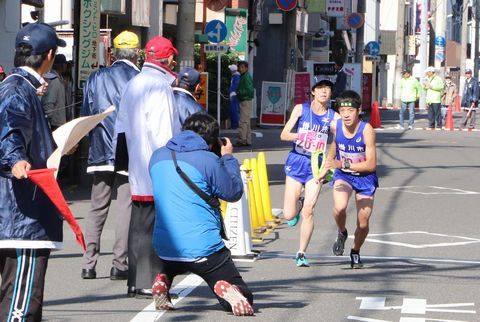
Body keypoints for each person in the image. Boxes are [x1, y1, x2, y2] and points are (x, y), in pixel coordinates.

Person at [148, 113, 254, 316]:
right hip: (204, 249)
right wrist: (228, 158)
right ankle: (224, 286)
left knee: (176, 261)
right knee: (245, 297)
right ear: (213, 139)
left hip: (164, 246)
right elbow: (233, 192)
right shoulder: (208, 160)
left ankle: (163, 278)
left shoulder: (157, 156)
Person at [0, 22, 66, 320]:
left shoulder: (18, 85)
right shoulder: (17, 89)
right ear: (49, 54)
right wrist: (16, 159)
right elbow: (10, 129)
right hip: (22, 212)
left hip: (14, 209)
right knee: (21, 303)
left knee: (14, 295)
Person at [115, 35, 181, 298]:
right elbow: (165, 133)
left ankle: (135, 280)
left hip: (136, 164)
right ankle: (149, 280)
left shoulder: (134, 83)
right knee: (154, 226)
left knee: (138, 223)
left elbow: (120, 127)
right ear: (169, 58)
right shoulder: (160, 87)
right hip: (156, 165)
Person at [80, 30, 141, 281]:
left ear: (113, 52)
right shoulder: (140, 79)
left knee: (97, 207)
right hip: (129, 149)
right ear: (137, 53)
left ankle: (88, 263)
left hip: (101, 148)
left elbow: (86, 113)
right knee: (125, 206)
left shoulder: (96, 77)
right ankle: (119, 263)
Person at [280, 79, 340, 267]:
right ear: (313, 92)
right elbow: (284, 135)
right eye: (320, 89)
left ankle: (301, 252)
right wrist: (302, 136)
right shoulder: (301, 109)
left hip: (316, 165)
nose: (324, 92)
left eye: (328, 89)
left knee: (309, 210)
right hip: (297, 160)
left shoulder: (333, 116)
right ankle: (297, 204)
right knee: (289, 215)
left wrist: (328, 164)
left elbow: (337, 142)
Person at [319, 90, 378, 269]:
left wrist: (342, 164)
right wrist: (327, 166)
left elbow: (371, 165)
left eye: (350, 111)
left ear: (358, 110)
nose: (346, 115)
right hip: (343, 176)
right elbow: (335, 145)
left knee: (363, 222)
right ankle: (342, 232)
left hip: (365, 178)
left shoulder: (366, 130)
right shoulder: (337, 125)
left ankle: (355, 251)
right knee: (339, 208)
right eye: (342, 111)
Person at [41, 54, 67, 130]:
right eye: (65, 64)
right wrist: (48, 122)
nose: (66, 66)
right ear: (61, 65)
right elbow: (49, 102)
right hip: (54, 124)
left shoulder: (58, 79)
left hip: (57, 122)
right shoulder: (54, 80)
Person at [235, 61, 254, 147]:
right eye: (240, 67)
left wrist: (239, 92)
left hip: (245, 100)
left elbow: (249, 91)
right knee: (247, 121)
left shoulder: (245, 77)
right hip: (246, 100)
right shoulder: (245, 76)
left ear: (246, 68)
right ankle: (247, 140)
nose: (241, 69)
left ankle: (242, 140)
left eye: (243, 67)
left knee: (243, 121)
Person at [228, 64, 240, 129]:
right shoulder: (236, 76)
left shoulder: (236, 76)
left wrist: (231, 92)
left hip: (234, 95)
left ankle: (234, 125)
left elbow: (234, 86)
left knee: (234, 110)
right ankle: (234, 125)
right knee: (234, 110)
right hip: (234, 94)